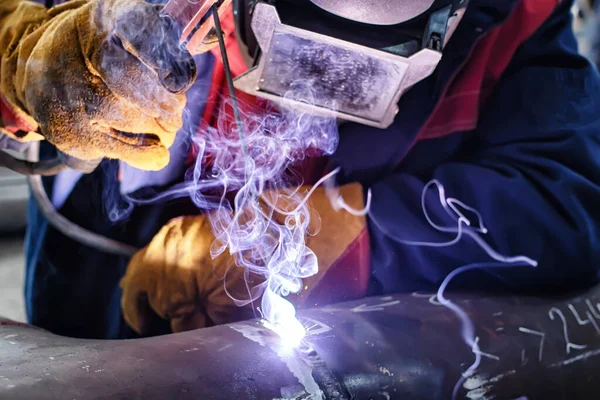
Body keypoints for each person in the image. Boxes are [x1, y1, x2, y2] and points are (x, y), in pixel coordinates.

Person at [1, 0, 599, 340]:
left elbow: (568, 200)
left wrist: (357, 231)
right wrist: (22, 62)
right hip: (90, 319)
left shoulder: (520, 18)